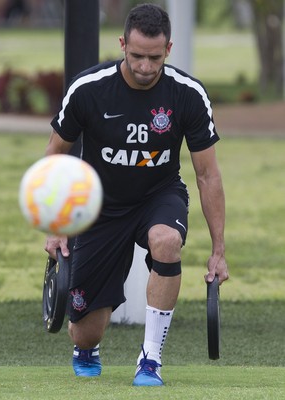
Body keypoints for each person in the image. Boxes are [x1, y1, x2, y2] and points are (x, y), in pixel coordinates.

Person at [44, 3, 229, 387]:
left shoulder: (188, 95)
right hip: (99, 206)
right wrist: (56, 225)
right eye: (137, 56)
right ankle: (86, 346)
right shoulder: (89, 89)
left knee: (167, 241)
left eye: (155, 58)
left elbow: (207, 175)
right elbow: (55, 157)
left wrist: (218, 250)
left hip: (157, 196)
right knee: (85, 332)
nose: (145, 66)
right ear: (122, 44)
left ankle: (150, 360)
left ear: (169, 49)